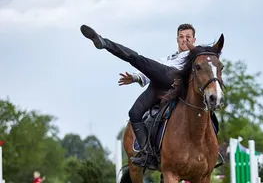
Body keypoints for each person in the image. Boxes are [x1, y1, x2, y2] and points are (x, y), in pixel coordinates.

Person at [80, 23, 196, 167]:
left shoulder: (195, 57)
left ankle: (105, 43)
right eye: (181, 37)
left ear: (194, 40)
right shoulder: (169, 58)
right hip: (158, 85)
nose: (184, 40)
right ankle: (148, 154)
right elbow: (151, 69)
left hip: (174, 81)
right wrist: (134, 77)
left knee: (138, 59)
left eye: (188, 37)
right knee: (134, 113)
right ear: (177, 39)